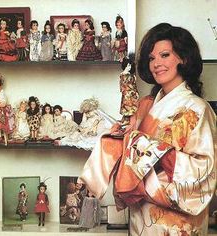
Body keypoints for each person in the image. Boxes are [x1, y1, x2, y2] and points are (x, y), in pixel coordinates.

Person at [78, 23, 216, 235]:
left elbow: (205, 172)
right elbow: (130, 160)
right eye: (151, 58)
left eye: (164, 55)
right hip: (141, 219)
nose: (156, 64)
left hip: (177, 225)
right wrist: (121, 140)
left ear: (184, 58)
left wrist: (148, 148)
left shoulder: (198, 109)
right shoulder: (145, 106)